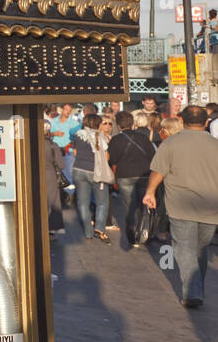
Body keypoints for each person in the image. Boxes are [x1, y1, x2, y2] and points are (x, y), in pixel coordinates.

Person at [143, 106, 218, 308]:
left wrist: (150, 192)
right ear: (205, 123)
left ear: (182, 122)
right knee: (201, 250)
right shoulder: (215, 144)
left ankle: (193, 291)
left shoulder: (171, 143)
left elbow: (158, 171)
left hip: (180, 204)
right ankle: (196, 289)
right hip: (210, 207)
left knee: (184, 248)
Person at [108, 110, 155, 247]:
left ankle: (132, 236)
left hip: (124, 175)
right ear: (132, 123)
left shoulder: (116, 140)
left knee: (129, 206)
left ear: (118, 124)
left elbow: (113, 160)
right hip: (144, 174)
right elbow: (152, 156)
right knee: (143, 206)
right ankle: (145, 232)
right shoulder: (143, 138)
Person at [71, 112, 112, 243]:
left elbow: (76, 152)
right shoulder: (100, 137)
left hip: (78, 170)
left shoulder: (78, 135)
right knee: (102, 202)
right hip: (95, 172)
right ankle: (99, 228)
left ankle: (88, 231)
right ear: (97, 124)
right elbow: (106, 157)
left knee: (83, 203)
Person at [42, 119, 66, 237]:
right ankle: (52, 228)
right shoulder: (52, 145)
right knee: (53, 202)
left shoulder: (29, 144)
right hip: (50, 175)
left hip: (35, 176)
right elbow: (61, 165)